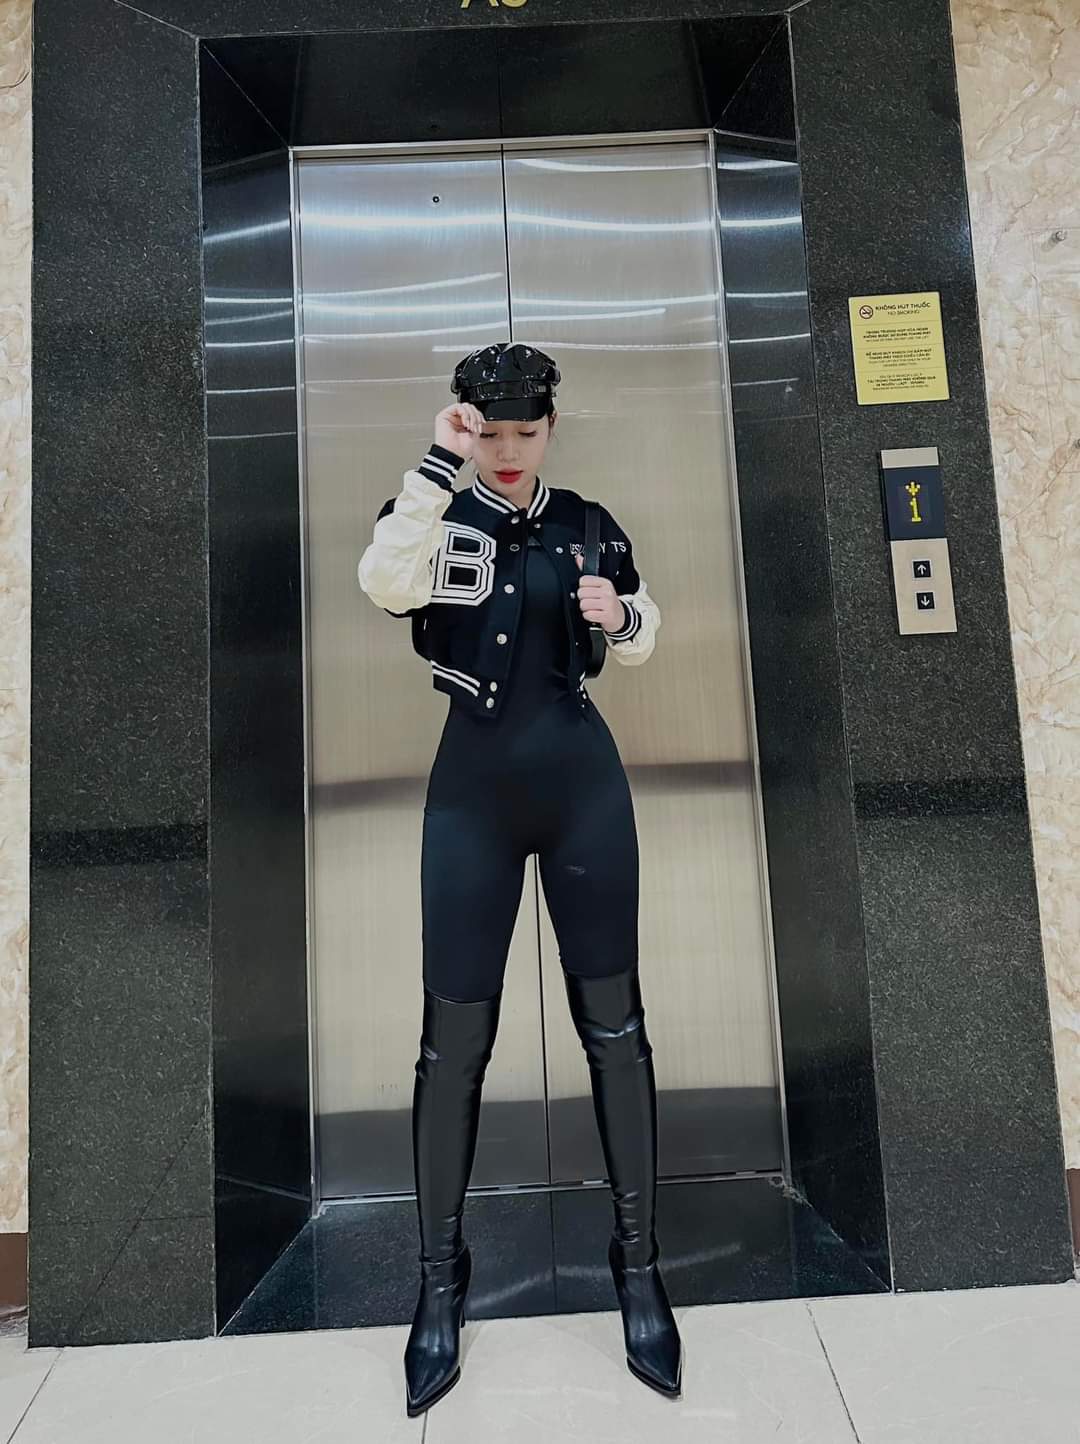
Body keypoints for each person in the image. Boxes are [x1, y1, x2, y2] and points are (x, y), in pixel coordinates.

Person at [357, 342, 682, 1416]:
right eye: (487, 431)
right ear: (465, 427)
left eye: (523, 432)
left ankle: (638, 1269)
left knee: (616, 1031)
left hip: (585, 791)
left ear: (550, 428)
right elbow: (383, 582)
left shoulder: (589, 522)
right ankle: (438, 1283)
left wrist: (619, 617)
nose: (506, 450)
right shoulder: (435, 513)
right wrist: (436, 462)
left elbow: (644, 631)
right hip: (472, 803)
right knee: (451, 1045)